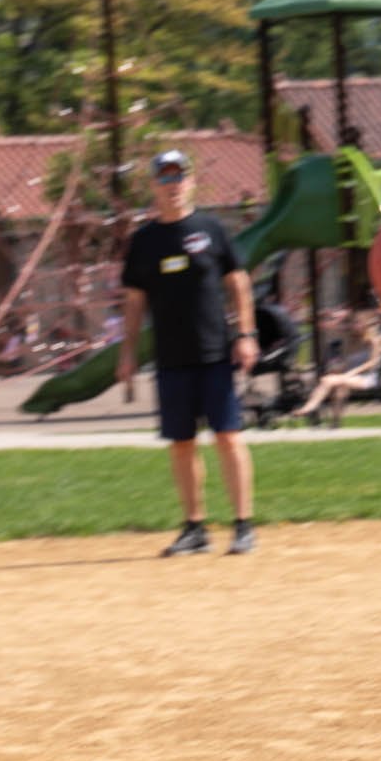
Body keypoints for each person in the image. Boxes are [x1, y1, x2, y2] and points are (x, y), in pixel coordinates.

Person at [118, 148, 260, 556]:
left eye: (179, 176)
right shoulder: (144, 242)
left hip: (214, 353)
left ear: (191, 181)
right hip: (171, 358)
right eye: (164, 177)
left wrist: (246, 334)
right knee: (181, 443)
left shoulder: (211, 229)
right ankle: (195, 527)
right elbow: (133, 302)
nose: (172, 185)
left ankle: (243, 525)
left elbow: (238, 284)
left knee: (228, 437)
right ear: (153, 185)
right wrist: (128, 353)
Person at [294, 309, 381, 427]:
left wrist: (351, 372)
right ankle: (336, 422)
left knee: (327, 380)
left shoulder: (375, 340)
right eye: (354, 322)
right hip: (351, 376)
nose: (354, 325)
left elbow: (373, 362)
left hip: (367, 378)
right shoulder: (353, 338)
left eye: (357, 322)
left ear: (366, 324)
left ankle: (309, 407)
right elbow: (339, 330)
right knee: (339, 388)